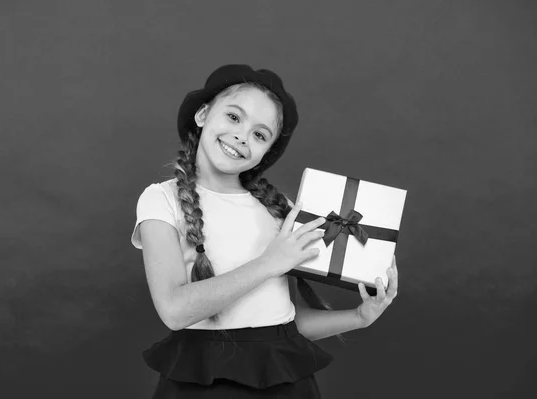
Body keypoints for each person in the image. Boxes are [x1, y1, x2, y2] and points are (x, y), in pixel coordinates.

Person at [131, 64, 399, 398]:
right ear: (202, 114)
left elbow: (284, 326)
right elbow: (173, 310)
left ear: (264, 153)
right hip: (201, 383)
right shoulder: (161, 199)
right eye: (233, 117)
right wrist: (270, 262)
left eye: (260, 134)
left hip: (284, 385)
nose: (242, 136)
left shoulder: (280, 209)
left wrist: (358, 316)